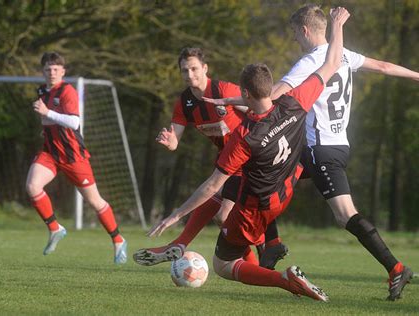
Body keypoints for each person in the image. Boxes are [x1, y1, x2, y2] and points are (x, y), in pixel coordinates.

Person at [204, 4, 419, 301]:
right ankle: (273, 244)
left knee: (345, 215)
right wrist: (418, 76)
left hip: (320, 150)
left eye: (294, 33)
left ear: (305, 31)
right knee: (262, 176)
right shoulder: (343, 53)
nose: (294, 39)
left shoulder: (311, 61)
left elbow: (273, 94)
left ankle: (396, 268)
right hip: (335, 145)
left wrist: (231, 99)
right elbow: (384, 67)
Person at [142, 6, 351, 302]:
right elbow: (331, 63)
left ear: (245, 94)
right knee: (226, 222)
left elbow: (212, 185)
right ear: (271, 88)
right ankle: (269, 249)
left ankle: (285, 279)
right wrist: (337, 25)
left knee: (223, 265)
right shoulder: (293, 103)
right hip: (286, 192)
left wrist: (176, 214)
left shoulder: (244, 138)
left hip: (256, 206)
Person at [133, 47, 287, 268]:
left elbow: (260, 107)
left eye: (194, 69)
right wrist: (169, 141)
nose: (190, 75)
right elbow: (175, 140)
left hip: (248, 160)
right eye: (184, 70)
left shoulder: (223, 89)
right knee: (220, 213)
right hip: (228, 162)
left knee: (224, 214)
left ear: (205, 68)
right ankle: (257, 258)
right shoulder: (184, 103)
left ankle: (261, 250)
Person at [26, 52, 127, 264]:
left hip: (73, 157)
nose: (51, 73)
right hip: (50, 153)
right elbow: (50, 121)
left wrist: (47, 113)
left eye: (55, 69)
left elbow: (73, 122)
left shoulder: (68, 91)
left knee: (95, 201)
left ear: (63, 71)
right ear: (42, 72)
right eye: (47, 69)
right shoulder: (42, 91)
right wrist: (45, 129)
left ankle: (118, 240)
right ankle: (55, 228)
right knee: (33, 186)